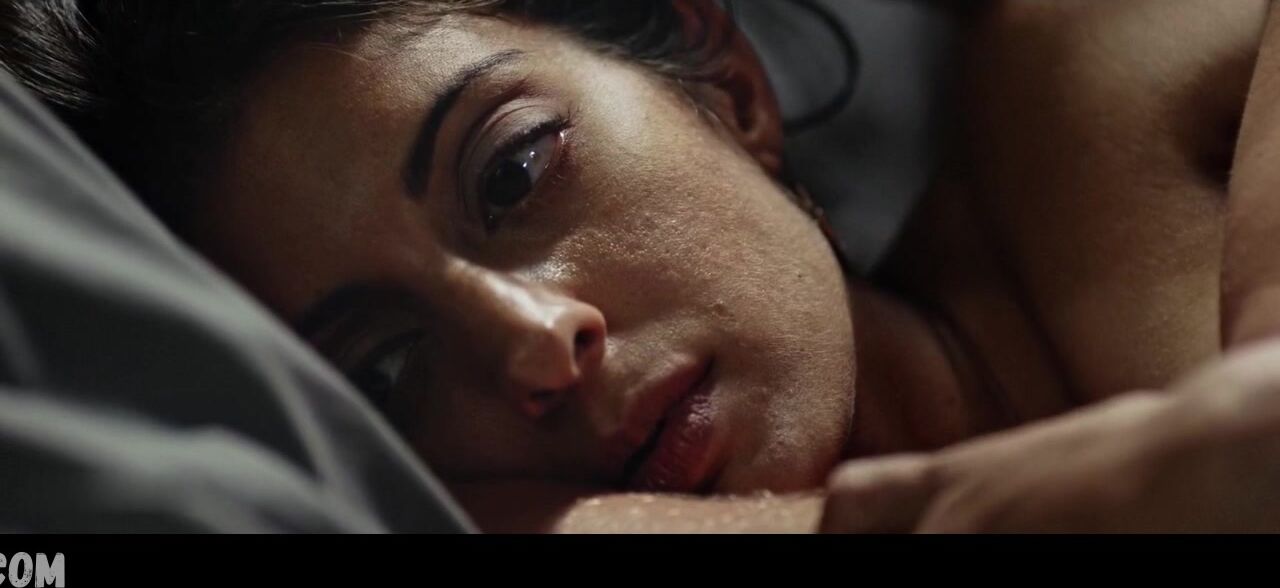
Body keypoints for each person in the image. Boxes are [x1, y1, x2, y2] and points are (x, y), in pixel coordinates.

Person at [4, 0, 1280, 533]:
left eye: (513, 170)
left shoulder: (1110, 84)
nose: (534, 341)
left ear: (721, 78)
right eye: (386, 372)